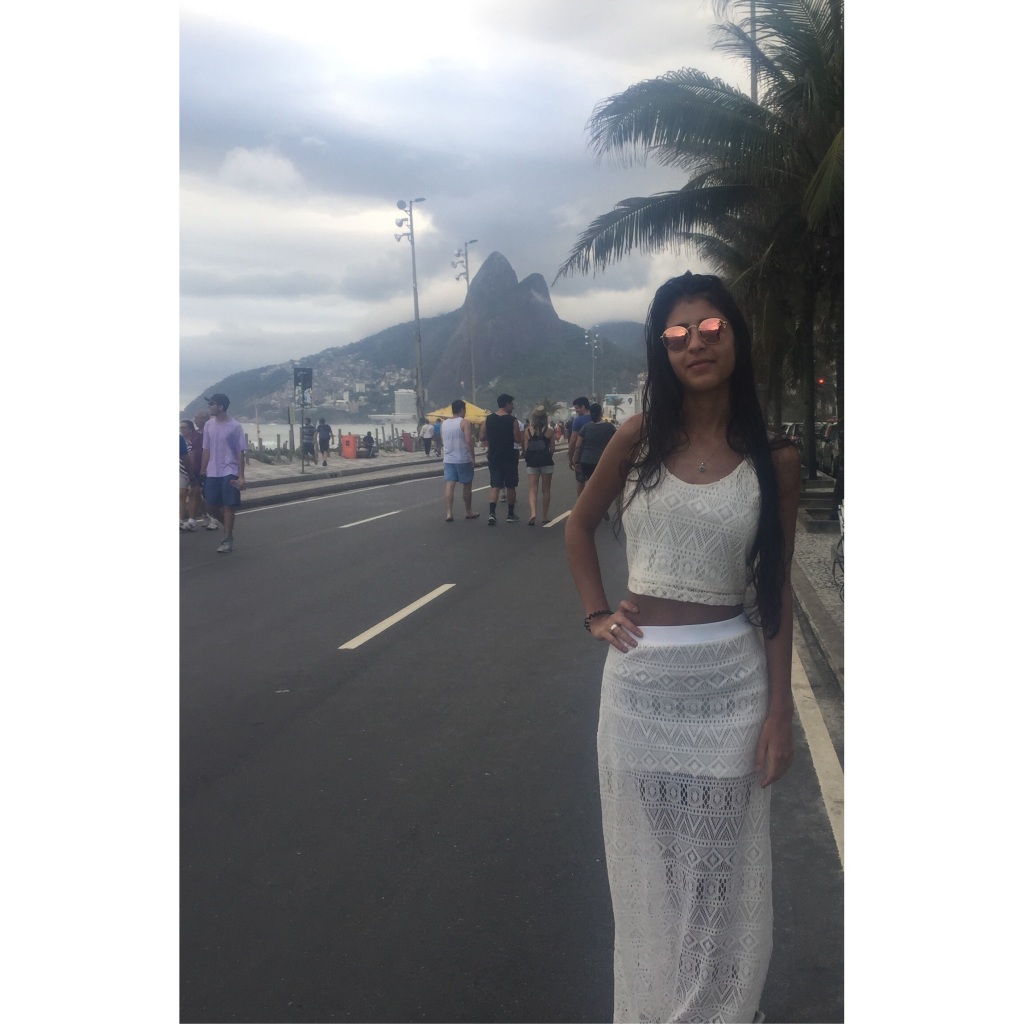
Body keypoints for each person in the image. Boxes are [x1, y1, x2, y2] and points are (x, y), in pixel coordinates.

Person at [565, 272, 800, 1023]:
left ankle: (717, 1008)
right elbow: (578, 527)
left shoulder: (775, 458)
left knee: (717, 873)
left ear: (736, 338)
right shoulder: (637, 439)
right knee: (663, 866)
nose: (695, 344)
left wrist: (780, 712)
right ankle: (667, 1004)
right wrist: (596, 614)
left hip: (730, 687)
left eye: (710, 329)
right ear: (661, 350)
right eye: (676, 334)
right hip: (640, 691)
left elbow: (775, 590)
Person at [201, 393, 248, 554]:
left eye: (212, 404)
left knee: (228, 506)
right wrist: (202, 471)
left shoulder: (235, 426)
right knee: (211, 506)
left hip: (230, 470)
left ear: (221, 407)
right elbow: (206, 449)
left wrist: (241, 476)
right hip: (212, 471)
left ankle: (227, 538)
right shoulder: (208, 425)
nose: (209, 407)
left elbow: (240, 452)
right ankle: (228, 528)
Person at [482, 393, 522, 524]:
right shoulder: (512, 420)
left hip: (494, 455)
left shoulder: (488, 419)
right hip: (509, 456)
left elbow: (482, 436)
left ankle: (492, 513)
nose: (513, 406)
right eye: (511, 404)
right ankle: (510, 514)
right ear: (506, 404)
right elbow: (518, 439)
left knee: (495, 485)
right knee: (511, 485)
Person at [441, 399, 480, 521]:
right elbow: (469, 440)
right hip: (463, 458)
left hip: (448, 459)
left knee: (450, 484)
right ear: (462, 409)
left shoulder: (444, 423)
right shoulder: (464, 423)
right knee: (467, 484)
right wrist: (472, 457)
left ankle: (449, 513)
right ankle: (468, 511)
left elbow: (443, 440)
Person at [522, 406, 555, 525]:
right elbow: (552, 449)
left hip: (532, 463)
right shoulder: (550, 431)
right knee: (546, 490)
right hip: (546, 462)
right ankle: (545, 516)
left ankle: (533, 513)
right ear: (545, 417)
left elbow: (526, 449)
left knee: (532, 489)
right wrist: (547, 456)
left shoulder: (528, 431)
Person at [576, 403, 617, 499]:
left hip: (586, 461)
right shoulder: (609, 427)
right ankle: (597, 503)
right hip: (603, 461)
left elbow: (578, 446)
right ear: (601, 413)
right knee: (601, 485)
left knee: (586, 482)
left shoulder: (585, 427)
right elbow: (617, 442)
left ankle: (584, 502)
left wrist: (576, 460)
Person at [566, 396, 593, 494]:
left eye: (577, 408)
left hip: (582, 457)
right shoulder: (597, 418)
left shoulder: (578, 420)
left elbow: (573, 440)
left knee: (581, 482)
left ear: (583, 407)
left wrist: (571, 457)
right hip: (597, 457)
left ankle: (581, 502)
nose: (576, 411)